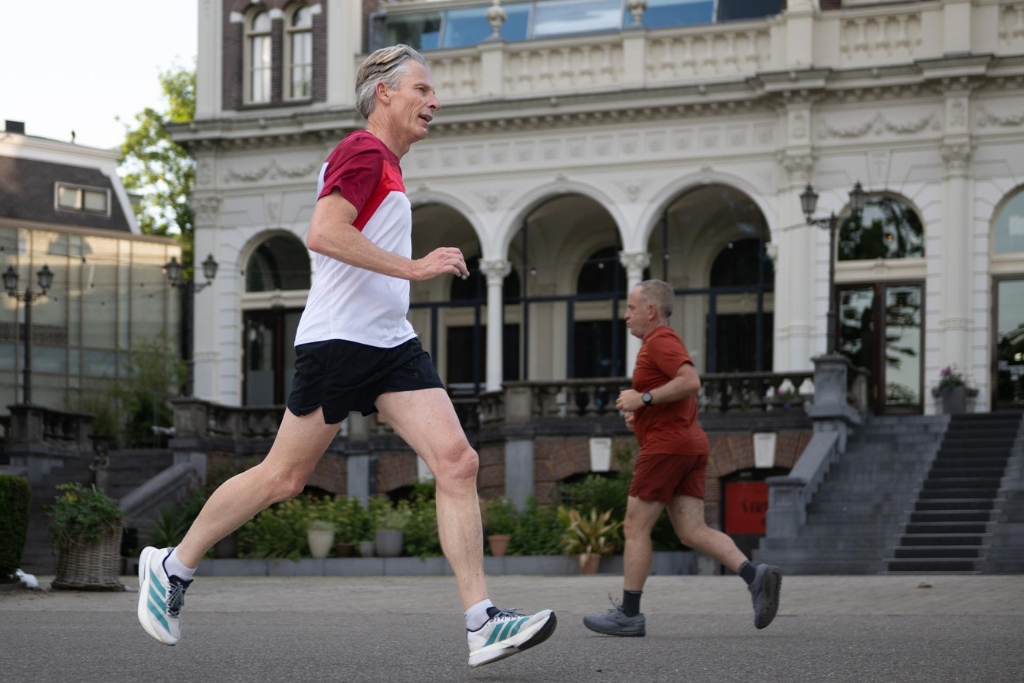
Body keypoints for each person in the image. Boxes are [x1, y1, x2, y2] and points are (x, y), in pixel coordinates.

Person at [137, 44, 556, 668]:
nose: (433, 101)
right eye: (421, 89)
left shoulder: (385, 162)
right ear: (383, 93)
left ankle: (482, 622)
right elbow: (324, 233)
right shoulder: (361, 151)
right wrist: (415, 267)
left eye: (432, 92)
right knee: (284, 478)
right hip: (339, 340)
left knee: (458, 461)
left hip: (389, 341)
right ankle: (170, 566)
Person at [583, 279, 781, 637]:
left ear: (650, 310)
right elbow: (673, 394)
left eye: (630, 308)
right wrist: (643, 415)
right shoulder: (658, 343)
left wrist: (642, 400)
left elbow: (690, 381)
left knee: (635, 526)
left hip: (667, 448)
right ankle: (756, 576)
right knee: (692, 530)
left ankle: (629, 613)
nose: (625, 316)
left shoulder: (660, 340)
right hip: (688, 444)